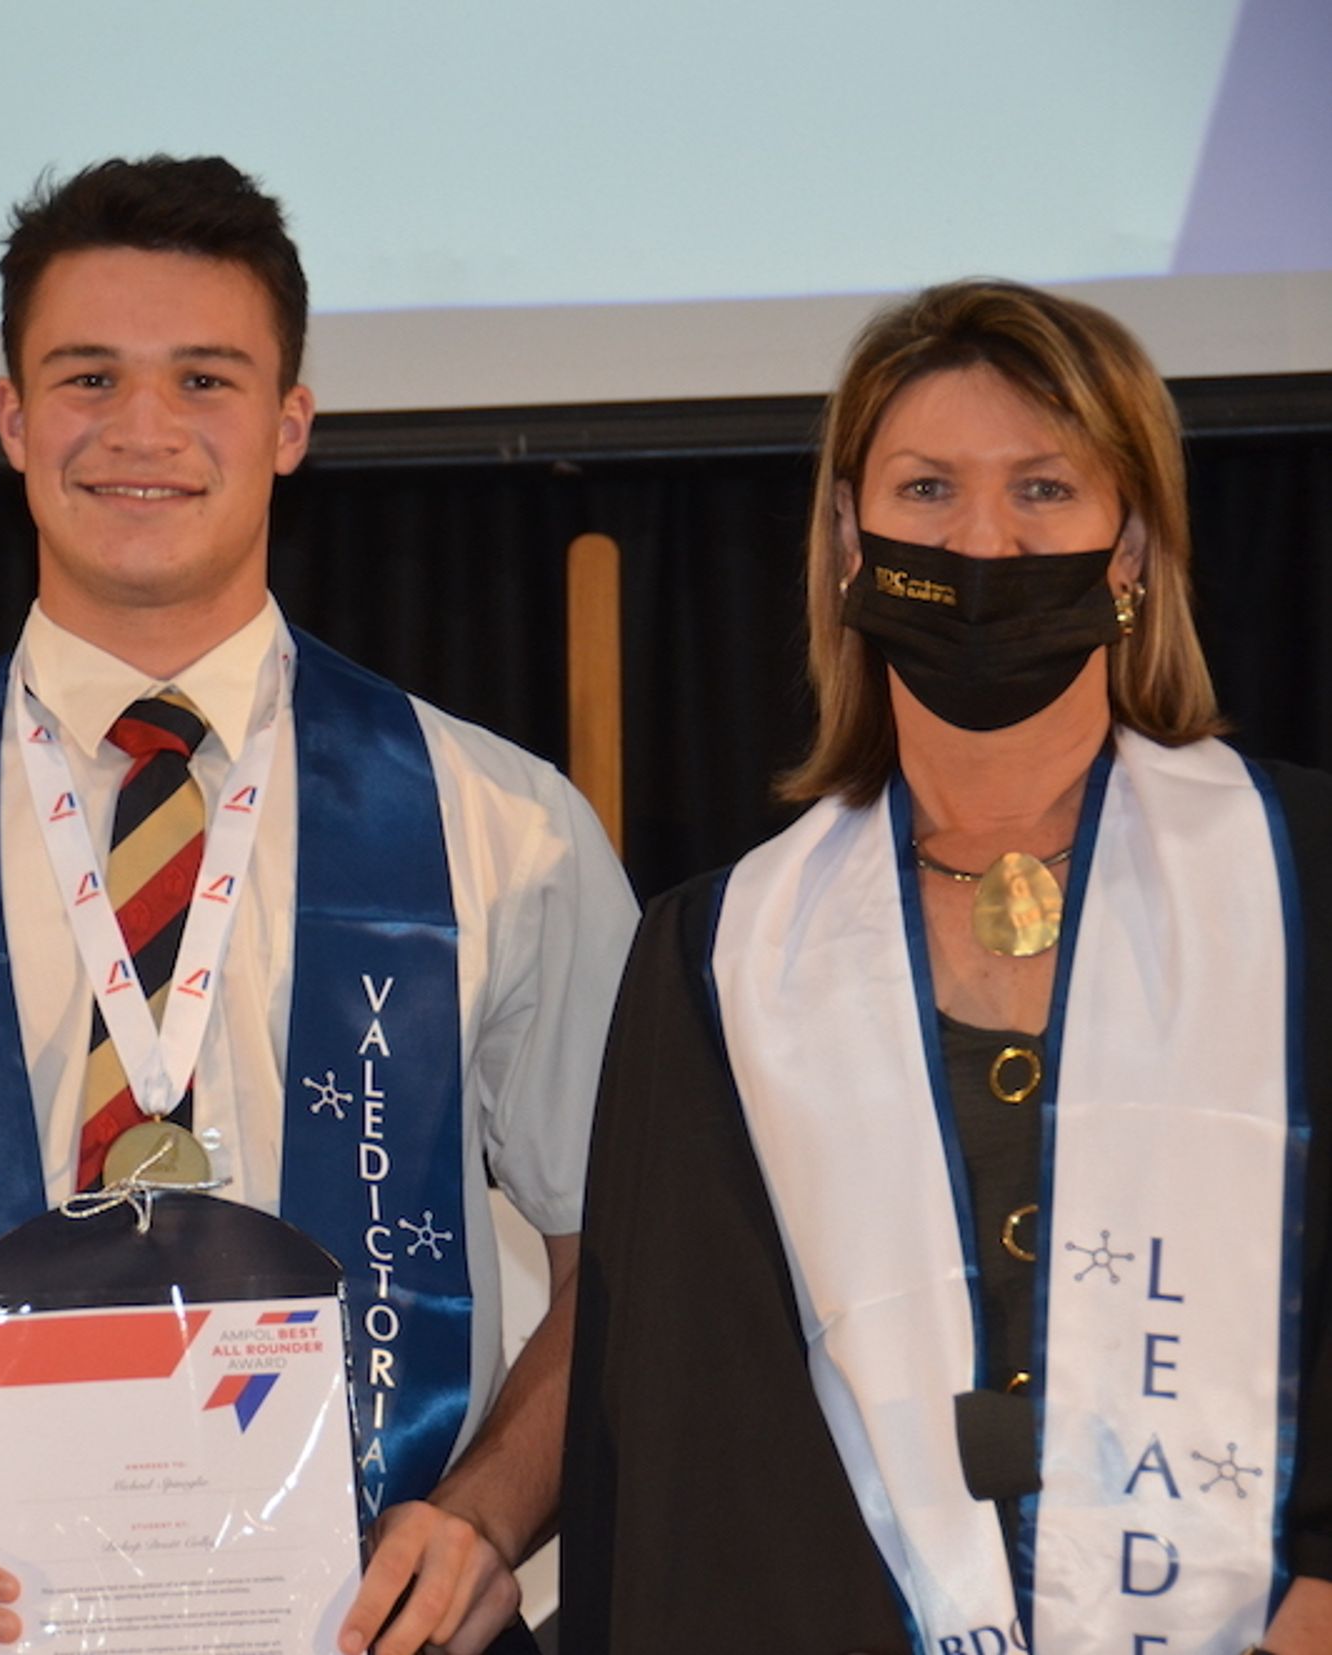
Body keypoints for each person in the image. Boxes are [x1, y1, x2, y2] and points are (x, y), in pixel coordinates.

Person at [0, 155, 636, 1655]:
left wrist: (489, 1519)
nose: (142, 429)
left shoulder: (503, 832)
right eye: (88, 377)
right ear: (10, 418)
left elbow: (624, 1266)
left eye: (204, 378)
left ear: (291, 423)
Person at [562, 279, 1332, 1652]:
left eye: (1045, 489)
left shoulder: (1303, 875)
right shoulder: (717, 960)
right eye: (927, 490)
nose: (983, 540)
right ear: (847, 540)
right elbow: (698, 1442)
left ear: (1132, 545)